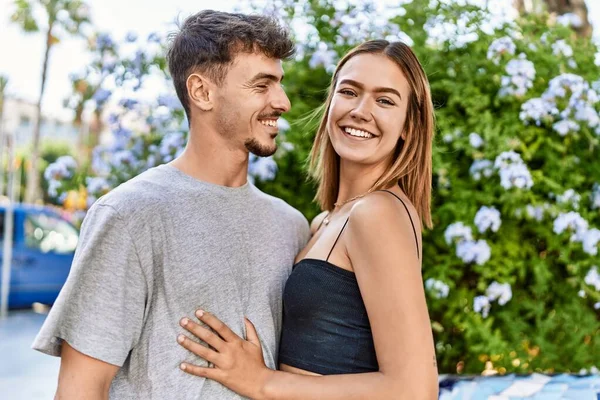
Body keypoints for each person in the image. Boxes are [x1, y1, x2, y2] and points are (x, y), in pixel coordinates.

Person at [32, 10, 309, 399]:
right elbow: (81, 389)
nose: (282, 101)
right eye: (261, 85)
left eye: (279, 84)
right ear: (202, 92)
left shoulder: (290, 225)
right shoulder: (130, 215)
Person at [176, 39, 439, 399]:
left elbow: (414, 389)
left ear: (408, 125)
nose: (361, 111)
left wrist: (262, 381)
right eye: (349, 92)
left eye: (385, 100)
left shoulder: (378, 213)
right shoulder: (324, 222)